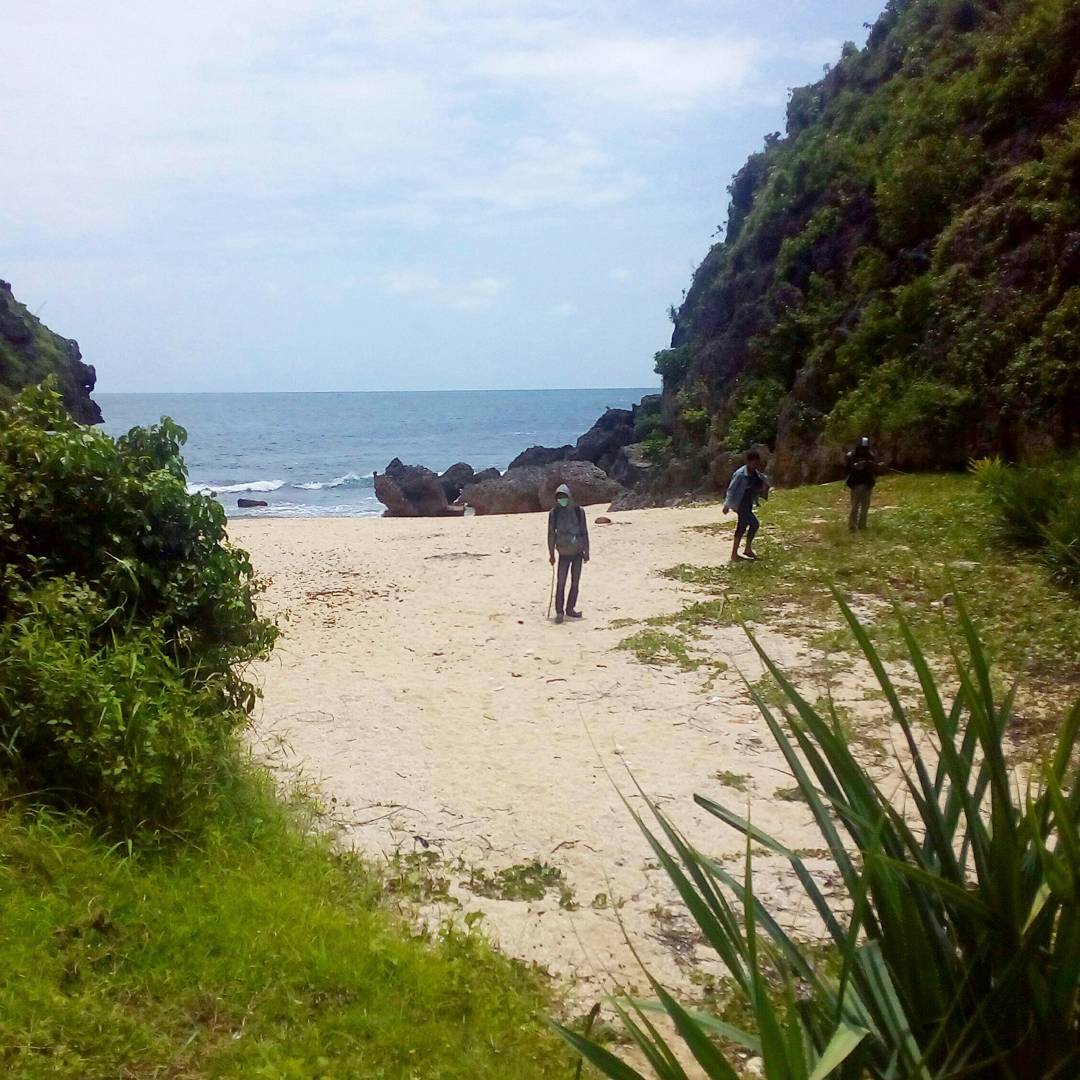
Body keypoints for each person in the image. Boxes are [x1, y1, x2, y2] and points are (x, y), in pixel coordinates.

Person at [547, 483, 589, 624]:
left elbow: (584, 531)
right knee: (561, 583)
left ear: (569, 496)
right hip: (563, 553)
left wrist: (587, 551)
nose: (561, 500)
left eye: (564, 497)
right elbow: (551, 534)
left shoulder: (579, 511)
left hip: (578, 552)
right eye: (559, 497)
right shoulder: (554, 513)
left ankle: (570, 608)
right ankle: (559, 612)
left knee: (575, 582)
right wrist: (551, 553)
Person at [723, 451, 769, 562]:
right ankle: (739, 552)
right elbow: (731, 489)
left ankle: (743, 551)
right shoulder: (739, 474)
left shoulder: (754, 473)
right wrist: (727, 505)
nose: (755, 466)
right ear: (748, 462)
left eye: (757, 463)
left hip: (747, 503)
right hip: (740, 504)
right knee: (754, 524)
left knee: (743, 527)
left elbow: (762, 481)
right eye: (754, 463)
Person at [845, 436, 878, 531]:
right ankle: (852, 526)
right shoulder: (851, 455)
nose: (863, 450)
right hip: (856, 484)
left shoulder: (870, 455)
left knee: (865, 506)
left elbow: (874, 467)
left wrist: (873, 465)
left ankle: (862, 526)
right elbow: (849, 467)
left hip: (867, 484)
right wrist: (857, 465)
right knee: (855, 506)